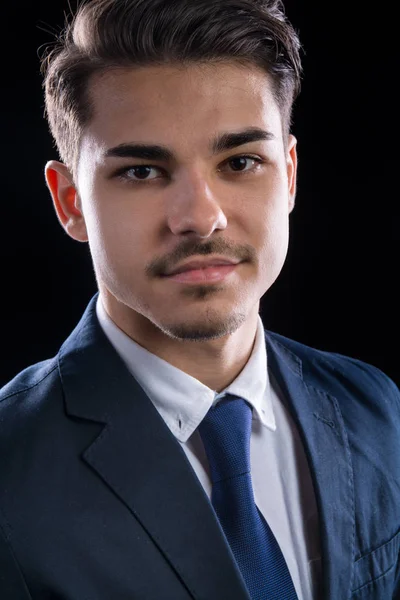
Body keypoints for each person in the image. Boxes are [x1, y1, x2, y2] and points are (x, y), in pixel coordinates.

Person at [0, 0, 399, 598]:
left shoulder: (376, 408)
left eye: (240, 161)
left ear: (288, 175)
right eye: (142, 171)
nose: (201, 218)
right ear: (70, 202)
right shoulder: (9, 471)